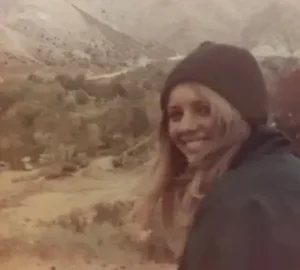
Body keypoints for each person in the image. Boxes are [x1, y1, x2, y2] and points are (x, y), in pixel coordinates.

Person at [128, 41, 300, 270]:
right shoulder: (285, 174)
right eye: (175, 115)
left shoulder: (239, 206)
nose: (186, 126)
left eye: (203, 110)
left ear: (241, 112)